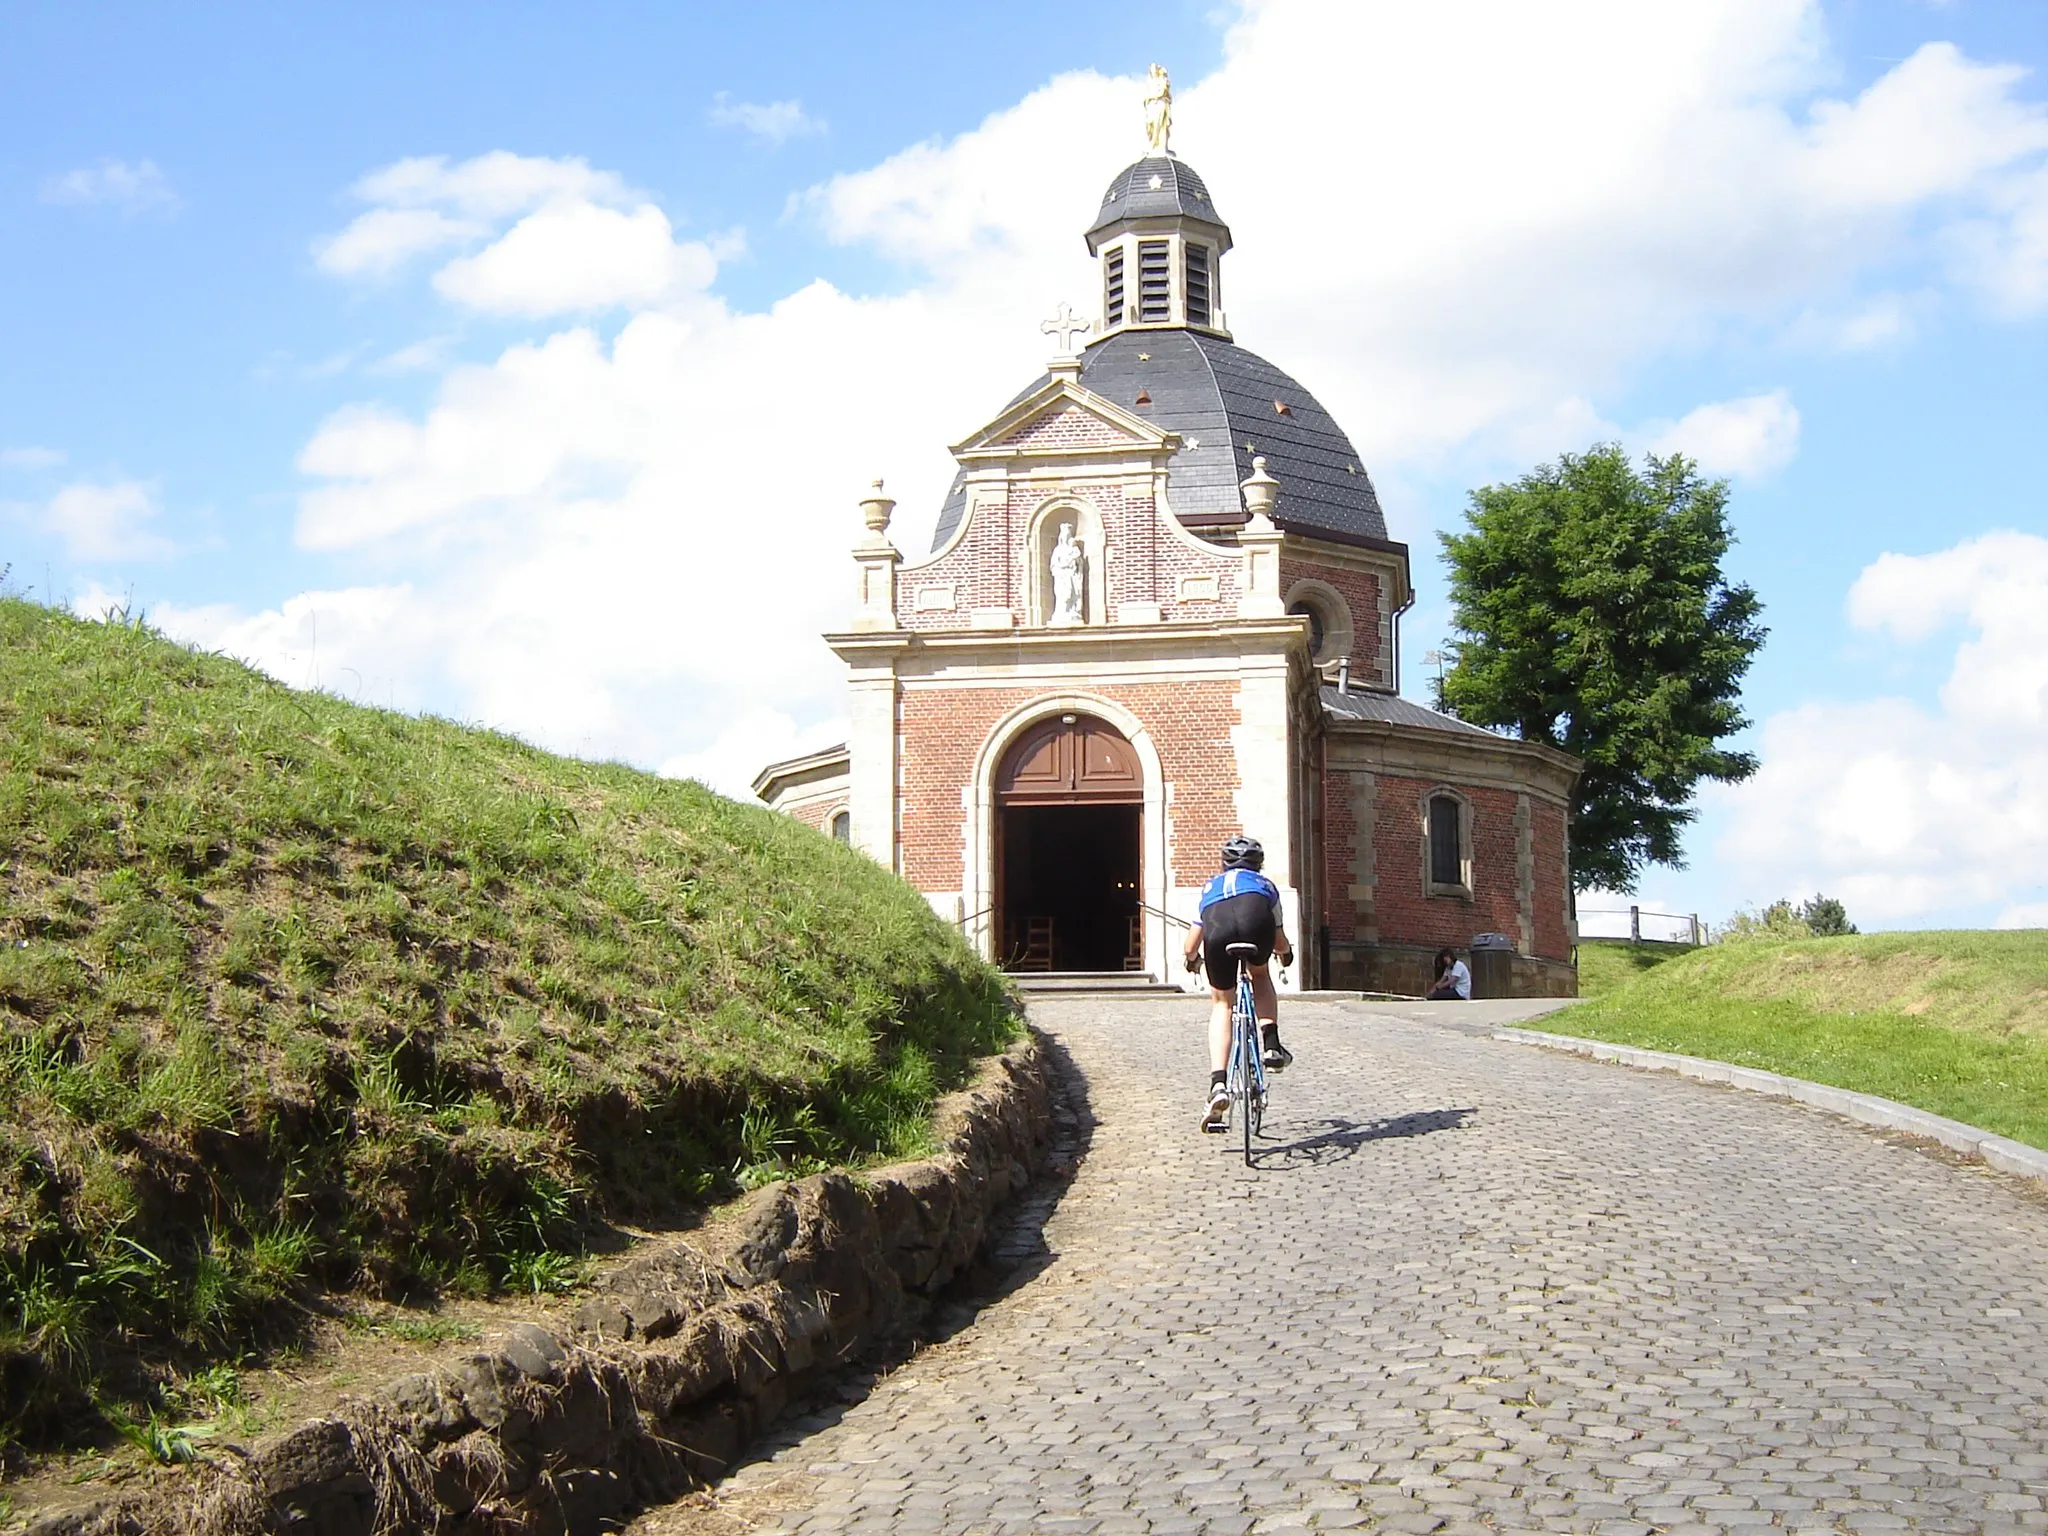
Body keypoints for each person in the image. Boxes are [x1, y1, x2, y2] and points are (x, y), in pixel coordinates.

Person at [1182, 834, 1294, 1131]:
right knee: (1260, 975)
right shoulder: (1266, 886)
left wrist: (1192, 960)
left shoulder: (1209, 887)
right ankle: (1271, 1044)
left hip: (1217, 934)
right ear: (1259, 865)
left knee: (1222, 1004)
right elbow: (1280, 941)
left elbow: (1191, 944)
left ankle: (1219, 1085)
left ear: (1224, 863)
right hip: (1257, 926)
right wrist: (1286, 954)